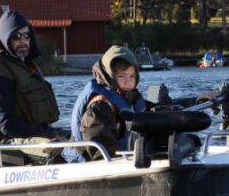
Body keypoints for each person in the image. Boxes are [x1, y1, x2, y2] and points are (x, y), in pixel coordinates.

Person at [70, 45, 218, 160]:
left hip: (127, 156)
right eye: (122, 76)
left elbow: (160, 108)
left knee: (157, 93)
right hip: (94, 165)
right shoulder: (100, 106)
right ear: (109, 76)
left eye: (132, 76)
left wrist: (196, 100)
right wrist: (116, 162)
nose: (128, 80)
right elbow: (99, 149)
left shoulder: (131, 96)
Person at [0, 10, 66, 163]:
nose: (23, 41)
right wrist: (49, 136)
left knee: (81, 136)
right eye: (16, 36)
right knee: (52, 146)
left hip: (35, 134)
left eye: (26, 36)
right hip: (9, 141)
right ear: (5, 38)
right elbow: (8, 126)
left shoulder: (26, 67)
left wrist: (53, 134)